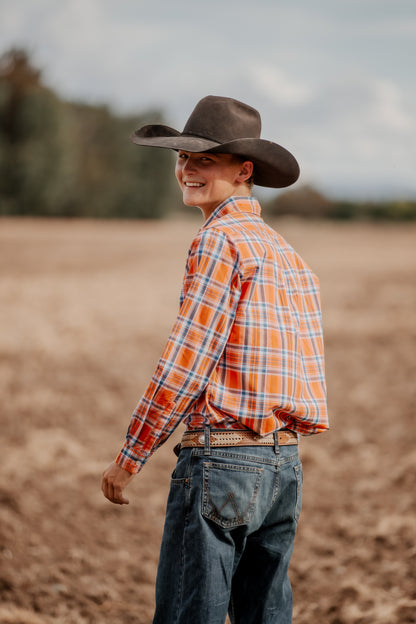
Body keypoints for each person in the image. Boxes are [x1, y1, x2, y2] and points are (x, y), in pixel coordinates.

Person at [101, 95, 328, 624]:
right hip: (283, 466)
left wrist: (130, 456)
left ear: (243, 170)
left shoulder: (218, 240)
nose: (186, 169)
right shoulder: (289, 256)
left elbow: (186, 359)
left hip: (220, 462)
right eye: (182, 158)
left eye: (204, 159)